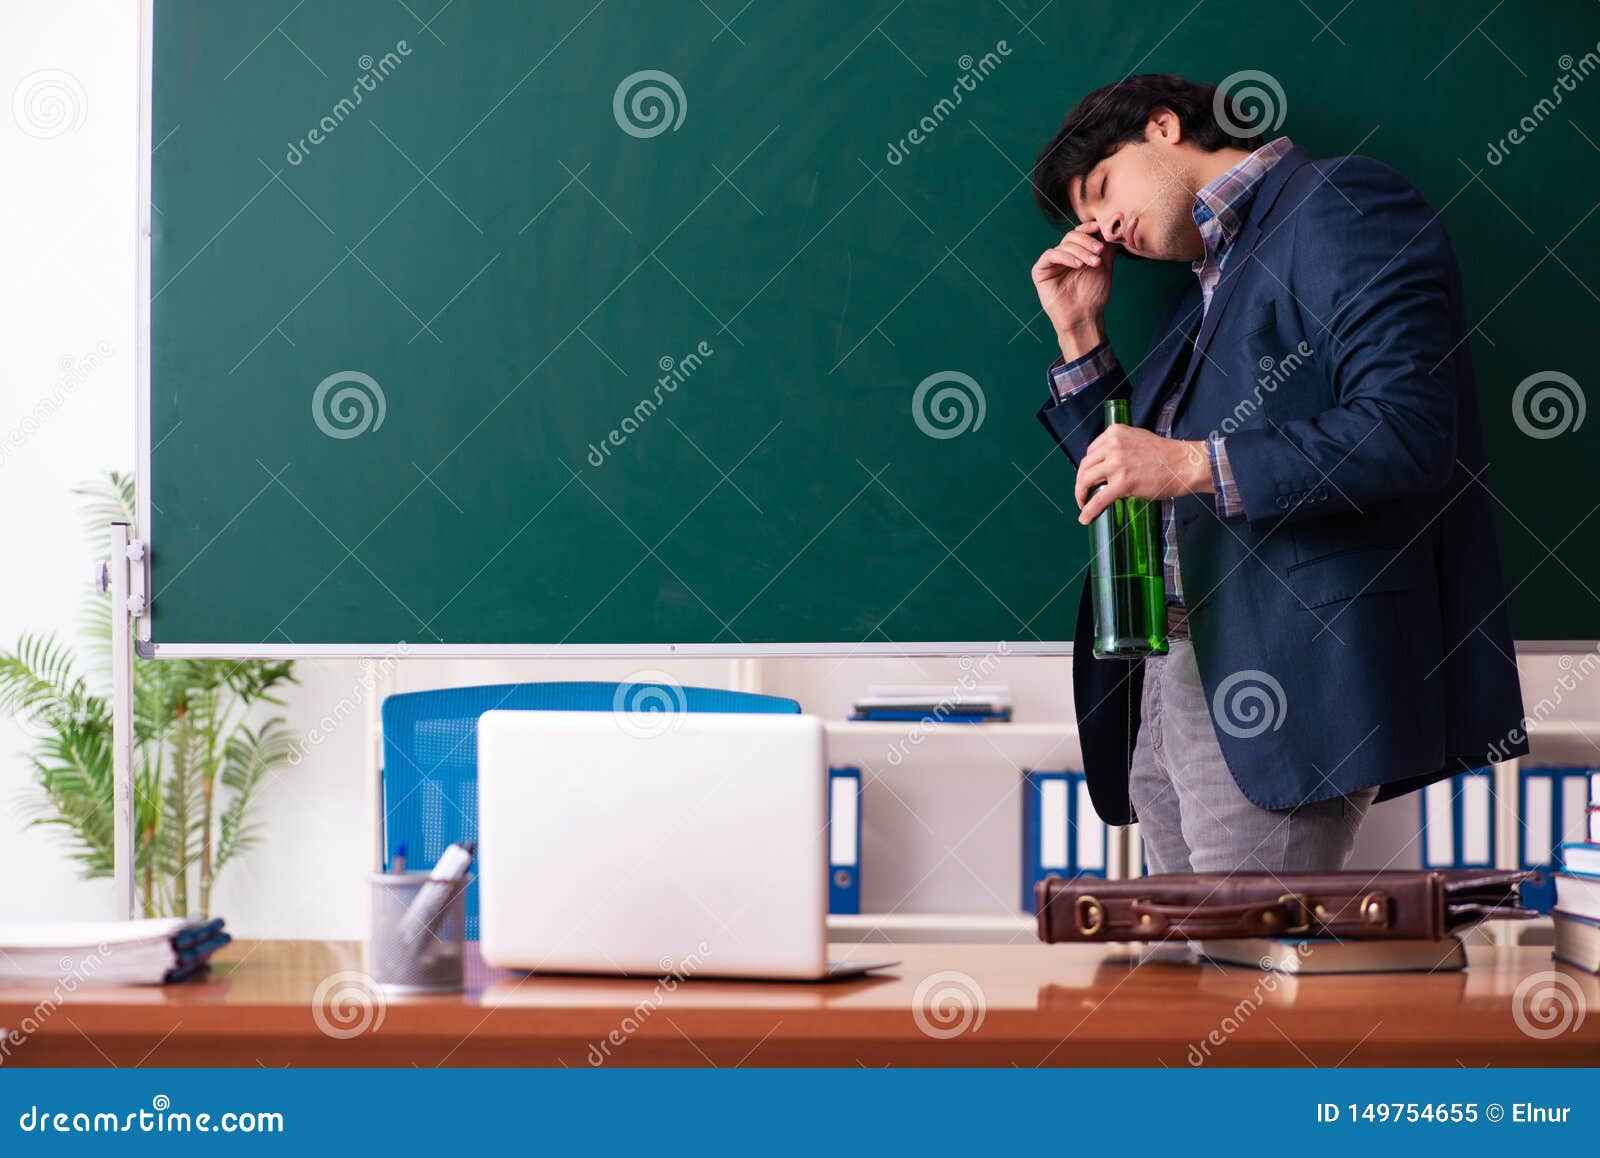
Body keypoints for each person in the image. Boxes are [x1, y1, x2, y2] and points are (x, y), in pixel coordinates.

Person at [1028, 74, 1526, 873]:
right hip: (1170, 673)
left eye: (1100, 190)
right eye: (1088, 220)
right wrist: (1081, 332)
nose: (1104, 227)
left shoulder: (1340, 204)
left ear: (1162, 127)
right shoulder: (1196, 293)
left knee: (1242, 967)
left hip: (1282, 675)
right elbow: (1127, 478)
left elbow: (1407, 430)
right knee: (1194, 979)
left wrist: (1190, 462)